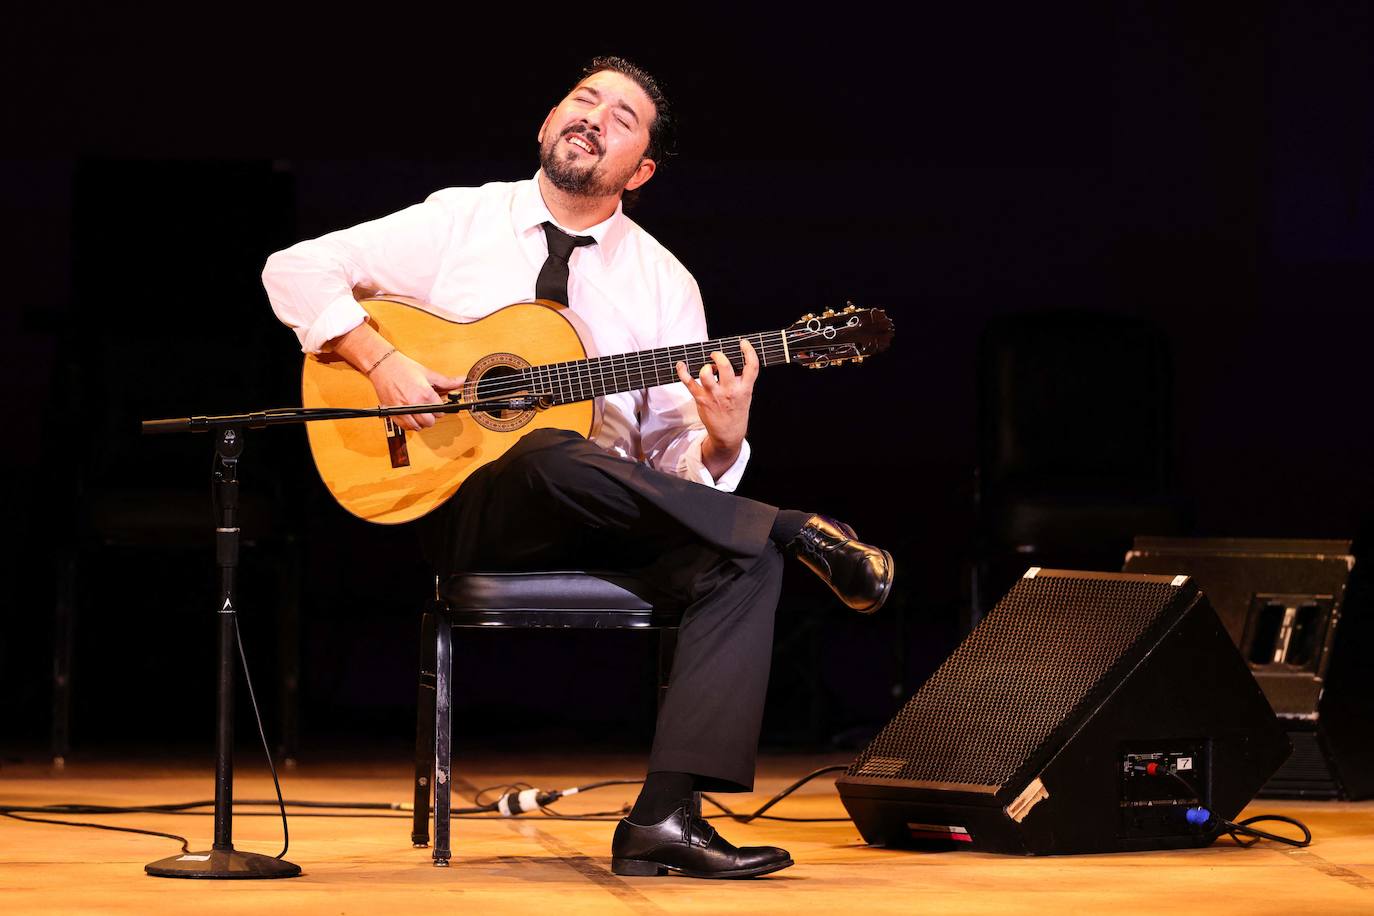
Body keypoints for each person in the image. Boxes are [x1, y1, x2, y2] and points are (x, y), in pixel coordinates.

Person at [262, 55, 893, 879]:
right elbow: (292, 268)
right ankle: (791, 526)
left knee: (743, 564)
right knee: (546, 451)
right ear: (547, 122)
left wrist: (720, 441)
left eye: (621, 118)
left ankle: (664, 819)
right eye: (583, 100)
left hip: (609, 518)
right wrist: (380, 359)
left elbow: (671, 468)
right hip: (472, 509)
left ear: (642, 171)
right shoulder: (460, 220)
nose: (594, 117)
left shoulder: (664, 281)